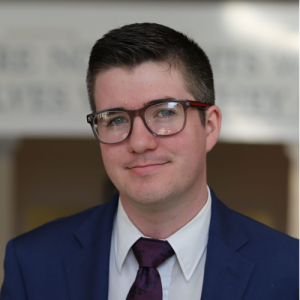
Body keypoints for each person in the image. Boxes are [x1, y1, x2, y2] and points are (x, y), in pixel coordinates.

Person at [1, 23, 298, 300]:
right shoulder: (32, 264)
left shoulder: (289, 271)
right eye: (115, 119)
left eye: (165, 112)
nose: (140, 142)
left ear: (209, 126)